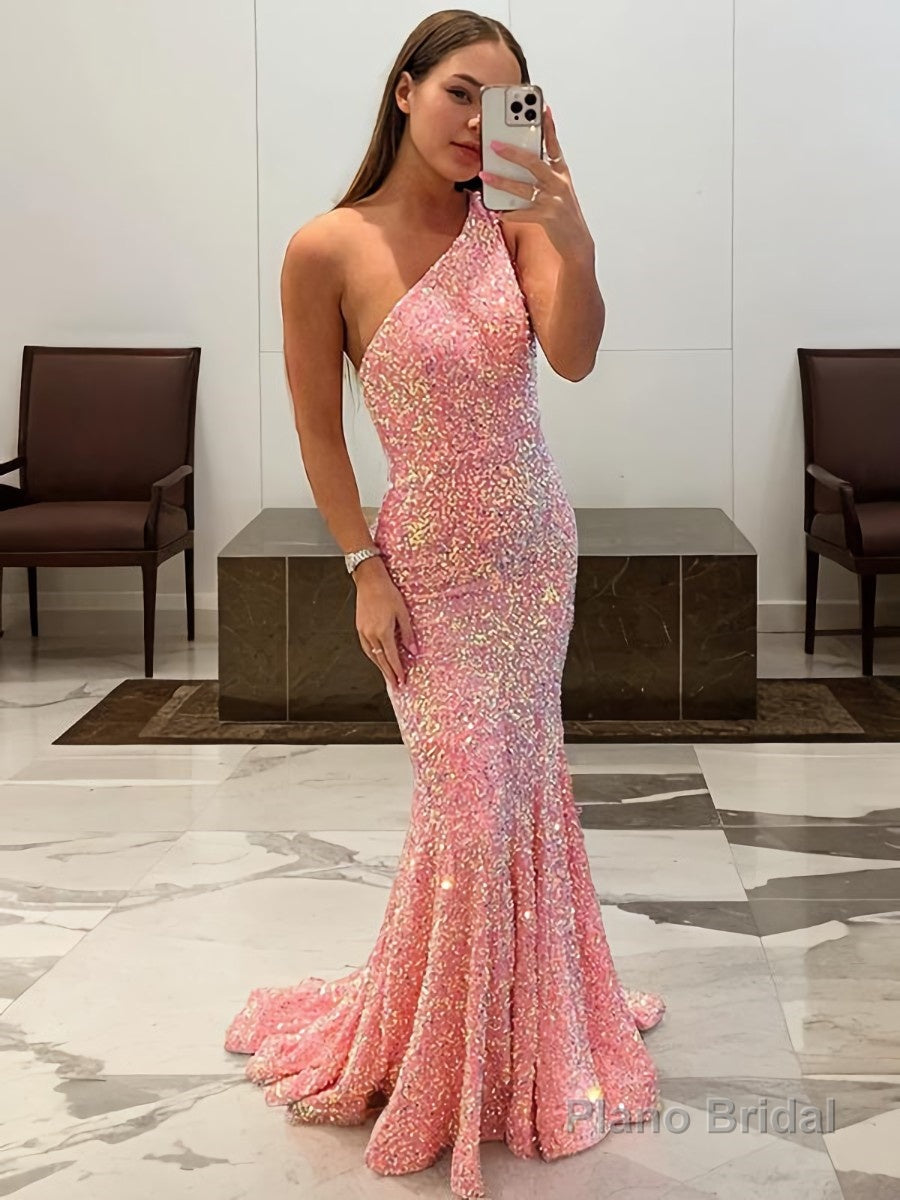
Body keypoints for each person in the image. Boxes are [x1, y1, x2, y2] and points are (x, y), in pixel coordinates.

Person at [225, 11, 664, 1198]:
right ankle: (447, 1054)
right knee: (467, 816)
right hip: (426, 567)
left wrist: (569, 227)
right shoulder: (326, 248)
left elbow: (573, 355)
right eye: (461, 93)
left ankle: (521, 1031)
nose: (478, 122)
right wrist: (360, 566)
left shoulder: (512, 224)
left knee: (517, 797)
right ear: (406, 91)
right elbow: (320, 430)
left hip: (533, 556)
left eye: (505, 101)